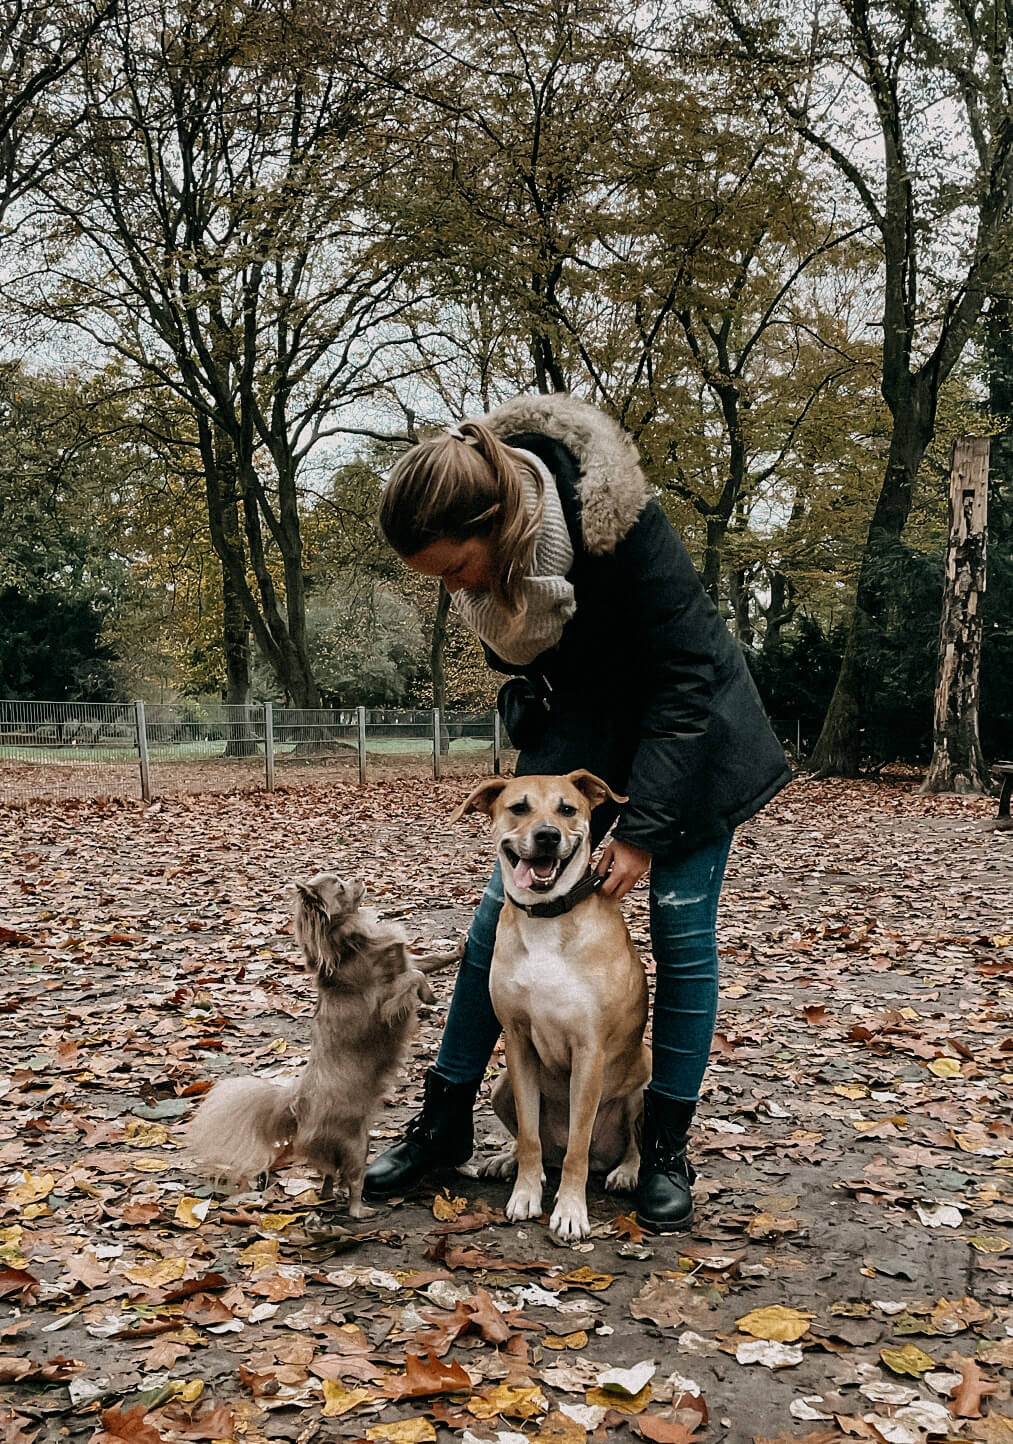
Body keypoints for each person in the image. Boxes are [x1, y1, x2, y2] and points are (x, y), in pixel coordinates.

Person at [364, 393, 789, 1232]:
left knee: (679, 930)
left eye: (454, 568)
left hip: (693, 738)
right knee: (498, 921)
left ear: (496, 521)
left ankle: (659, 1145)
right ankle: (444, 1119)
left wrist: (642, 832)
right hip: (586, 736)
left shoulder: (618, 526)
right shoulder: (502, 565)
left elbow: (685, 680)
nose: (453, 589)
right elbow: (551, 658)